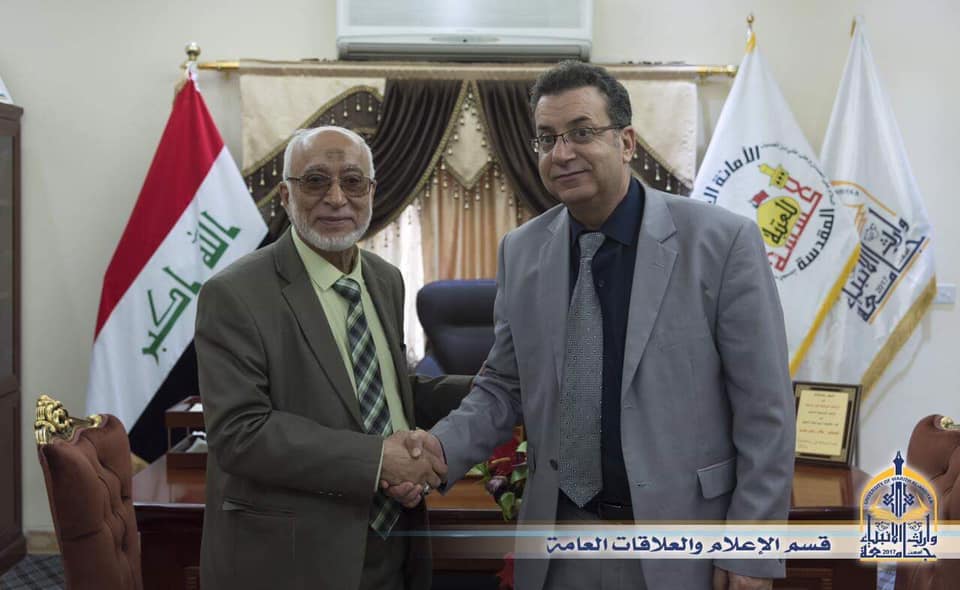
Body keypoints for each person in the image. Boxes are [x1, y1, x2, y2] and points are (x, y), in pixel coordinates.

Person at [392, 61, 796, 590]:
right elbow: (504, 386)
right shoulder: (522, 251)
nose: (561, 153)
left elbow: (765, 408)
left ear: (626, 142)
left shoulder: (721, 243)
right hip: (561, 545)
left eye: (582, 132)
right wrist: (439, 452)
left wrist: (752, 548)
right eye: (547, 139)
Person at [196, 126, 470, 590]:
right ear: (286, 195)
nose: (337, 198)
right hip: (294, 559)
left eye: (353, 182)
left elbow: (384, 392)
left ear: (372, 193)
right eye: (316, 181)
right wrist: (378, 461)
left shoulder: (385, 279)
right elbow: (240, 432)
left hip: (394, 542)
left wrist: (492, 388)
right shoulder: (234, 294)